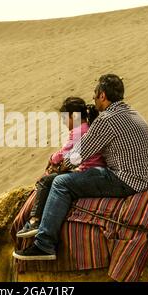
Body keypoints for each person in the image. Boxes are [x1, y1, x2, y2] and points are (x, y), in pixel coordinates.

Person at [13, 74, 148, 260]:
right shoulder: (132, 113)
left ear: (102, 95)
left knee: (61, 183)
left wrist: (60, 167)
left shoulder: (106, 119)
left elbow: (79, 154)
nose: (92, 98)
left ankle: (44, 244)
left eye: (95, 94)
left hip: (127, 179)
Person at [16, 97, 105, 238]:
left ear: (74, 116)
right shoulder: (86, 128)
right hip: (90, 169)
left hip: (87, 171)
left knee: (46, 182)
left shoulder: (79, 132)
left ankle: (34, 221)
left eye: (65, 117)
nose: (63, 121)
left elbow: (64, 154)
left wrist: (52, 158)